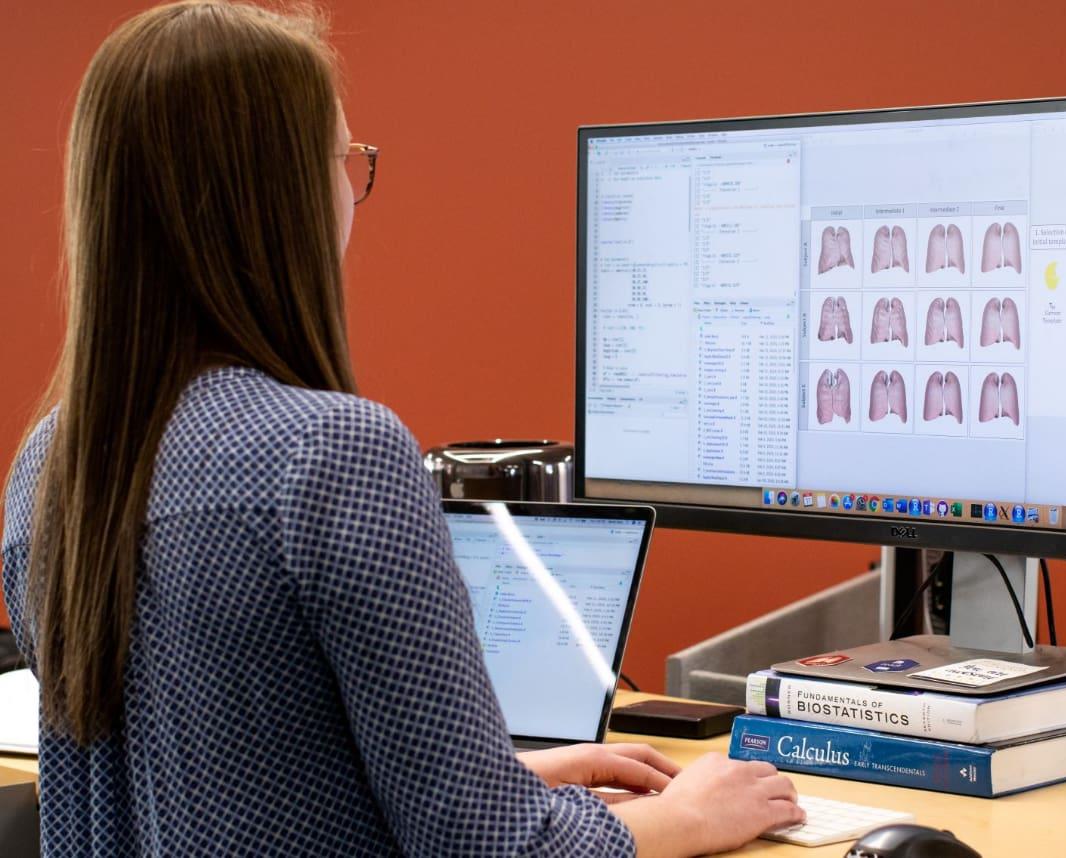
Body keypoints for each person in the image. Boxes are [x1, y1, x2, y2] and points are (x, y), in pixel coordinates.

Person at [1, 2, 806, 855]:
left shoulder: (50, 465)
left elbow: (233, 782)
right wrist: (684, 816)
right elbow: (490, 850)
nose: (351, 189)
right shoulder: (330, 456)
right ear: (276, 197)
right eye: (342, 159)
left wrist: (495, 778)